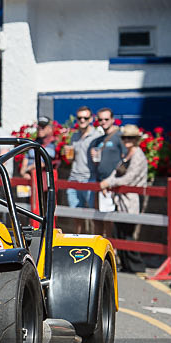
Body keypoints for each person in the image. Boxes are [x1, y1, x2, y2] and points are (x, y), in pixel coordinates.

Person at [99, 124, 147, 272]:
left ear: (136, 139)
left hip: (132, 200)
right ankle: (127, 265)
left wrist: (109, 183)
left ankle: (136, 266)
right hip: (121, 199)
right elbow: (116, 172)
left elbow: (129, 178)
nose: (127, 140)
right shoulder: (127, 154)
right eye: (125, 137)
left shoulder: (138, 155)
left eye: (130, 138)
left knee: (127, 234)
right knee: (119, 232)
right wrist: (109, 182)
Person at [65, 106, 100, 211]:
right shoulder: (74, 136)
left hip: (90, 179)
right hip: (74, 178)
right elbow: (72, 160)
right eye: (79, 118)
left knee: (93, 214)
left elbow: (100, 160)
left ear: (91, 119)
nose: (82, 120)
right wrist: (68, 155)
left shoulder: (97, 136)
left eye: (85, 118)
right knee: (75, 215)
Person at [89, 108, 123, 214]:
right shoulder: (98, 140)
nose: (103, 122)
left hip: (113, 183)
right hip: (100, 182)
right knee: (97, 217)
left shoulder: (120, 137)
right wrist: (93, 155)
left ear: (112, 120)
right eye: (100, 120)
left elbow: (125, 158)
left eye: (106, 119)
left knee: (110, 218)